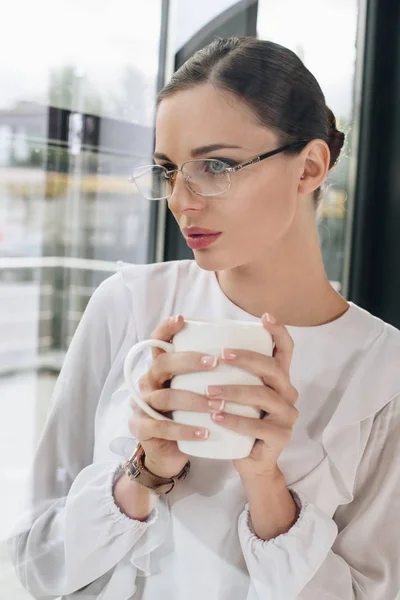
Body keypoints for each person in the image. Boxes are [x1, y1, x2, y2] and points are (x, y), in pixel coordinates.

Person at [8, 36, 400, 600]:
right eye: (170, 170)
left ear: (310, 166)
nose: (181, 200)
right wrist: (144, 473)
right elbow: (37, 566)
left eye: (216, 166)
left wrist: (268, 488)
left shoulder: (382, 373)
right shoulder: (130, 305)